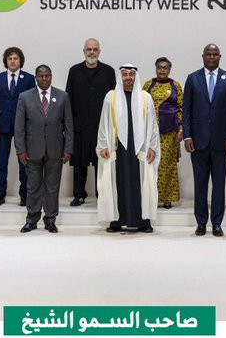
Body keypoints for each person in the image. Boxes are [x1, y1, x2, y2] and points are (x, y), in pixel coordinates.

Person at [183, 44, 226, 236]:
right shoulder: (193, 78)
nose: (212, 57)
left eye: (215, 54)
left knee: (219, 185)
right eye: (209, 54)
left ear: (220, 57)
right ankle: (201, 222)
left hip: (221, 142)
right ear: (203, 56)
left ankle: (217, 223)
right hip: (198, 141)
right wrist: (187, 135)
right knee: (200, 184)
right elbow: (186, 110)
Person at [97, 65, 160, 232]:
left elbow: (153, 125)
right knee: (118, 182)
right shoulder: (111, 97)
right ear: (121, 77)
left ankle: (143, 222)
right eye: (125, 74)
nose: (128, 77)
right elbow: (103, 122)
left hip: (140, 148)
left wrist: (153, 146)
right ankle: (116, 221)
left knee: (141, 182)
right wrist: (103, 145)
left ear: (136, 77)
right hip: (118, 149)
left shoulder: (145, 97)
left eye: (131, 74)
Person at [14, 65, 73, 232]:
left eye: (47, 76)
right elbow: (19, 127)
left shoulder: (63, 96)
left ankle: (50, 220)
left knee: (52, 187)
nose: (44, 79)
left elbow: (69, 125)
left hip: (56, 150)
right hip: (32, 151)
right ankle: (31, 220)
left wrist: (68, 149)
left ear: (51, 76)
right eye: (41, 76)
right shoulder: (25, 97)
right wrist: (20, 150)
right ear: (36, 78)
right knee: (33, 187)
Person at [65, 37, 116, 206]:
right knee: (79, 163)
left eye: (95, 49)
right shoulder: (74, 71)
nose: (92, 52)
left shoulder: (108, 72)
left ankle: (102, 194)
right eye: (89, 49)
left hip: (101, 126)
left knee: (101, 161)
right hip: (79, 125)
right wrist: (68, 124)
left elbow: (114, 100)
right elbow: (68, 98)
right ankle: (79, 194)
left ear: (99, 52)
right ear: (84, 51)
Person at [0, 47, 35, 206]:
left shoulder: (29, 78)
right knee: (1, 162)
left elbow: (32, 104)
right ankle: (1, 193)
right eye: (10, 58)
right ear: (6, 61)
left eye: (15, 58)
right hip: (2, 126)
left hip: (23, 126)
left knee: (24, 161)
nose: (13, 61)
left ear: (20, 61)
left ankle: (24, 194)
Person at [142, 58, 183, 207]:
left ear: (169, 69)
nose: (162, 70)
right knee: (151, 163)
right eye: (159, 67)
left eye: (165, 67)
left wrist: (181, 129)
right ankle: (151, 196)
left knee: (167, 164)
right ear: (155, 68)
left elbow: (182, 108)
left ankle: (167, 198)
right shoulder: (148, 85)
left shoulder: (176, 86)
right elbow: (141, 107)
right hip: (150, 131)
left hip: (170, 133)